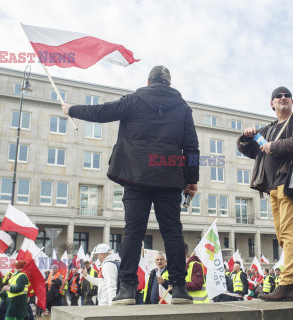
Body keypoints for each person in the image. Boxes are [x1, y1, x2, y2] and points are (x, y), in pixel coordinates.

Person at [62, 65, 199, 306]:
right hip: (169, 179)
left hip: (136, 177)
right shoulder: (182, 108)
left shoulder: (135, 100)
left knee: (133, 233)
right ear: (169, 83)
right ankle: (179, 288)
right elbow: (191, 147)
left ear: (148, 81)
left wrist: (71, 109)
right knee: (173, 233)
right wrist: (192, 179)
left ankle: (126, 289)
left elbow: (102, 112)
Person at [238, 87, 293, 301]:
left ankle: (287, 283)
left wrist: (276, 146)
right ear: (271, 104)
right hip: (272, 188)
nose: (283, 98)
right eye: (278, 97)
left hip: (289, 184)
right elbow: (249, 150)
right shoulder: (270, 128)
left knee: (290, 236)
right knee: (285, 238)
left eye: (286, 96)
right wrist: (245, 137)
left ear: (292, 101)